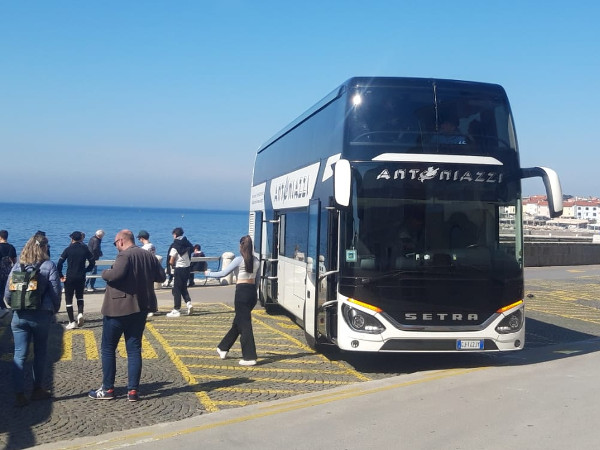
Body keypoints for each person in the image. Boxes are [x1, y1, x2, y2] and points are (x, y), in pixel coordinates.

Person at [88, 230, 165, 401]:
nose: (116, 247)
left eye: (115, 244)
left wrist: (104, 273)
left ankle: (108, 389)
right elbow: (162, 276)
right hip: (141, 308)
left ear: (121, 241)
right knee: (134, 348)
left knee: (108, 348)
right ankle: (133, 391)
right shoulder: (148, 256)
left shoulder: (124, 256)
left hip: (118, 308)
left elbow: (116, 275)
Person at [3, 234, 61, 407]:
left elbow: (7, 292)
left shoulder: (17, 266)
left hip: (19, 315)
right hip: (41, 315)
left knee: (19, 354)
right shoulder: (48, 265)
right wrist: (54, 310)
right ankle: (37, 390)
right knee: (40, 353)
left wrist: (11, 306)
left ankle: (19, 394)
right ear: (43, 248)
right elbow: (56, 292)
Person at [205, 235, 260, 366]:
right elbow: (258, 279)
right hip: (252, 292)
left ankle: (249, 357)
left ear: (241, 246)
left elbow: (223, 273)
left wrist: (208, 274)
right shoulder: (257, 260)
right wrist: (254, 293)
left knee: (245, 325)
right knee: (239, 322)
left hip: (241, 292)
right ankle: (223, 348)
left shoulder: (238, 260)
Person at [57, 231, 95, 330]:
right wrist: (86, 270)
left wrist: (61, 275)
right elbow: (92, 262)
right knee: (80, 297)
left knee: (68, 299)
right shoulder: (85, 249)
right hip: (81, 276)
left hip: (70, 276)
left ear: (72, 239)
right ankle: (80, 314)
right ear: (81, 239)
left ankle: (71, 321)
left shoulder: (68, 249)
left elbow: (59, 263)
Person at [166, 227, 194, 317]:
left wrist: (172, 266)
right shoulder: (187, 243)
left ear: (175, 235)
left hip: (179, 268)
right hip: (187, 268)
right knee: (183, 287)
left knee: (177, 289)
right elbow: (192, 250)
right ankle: (189, 303)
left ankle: (176, 309)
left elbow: (171, 260)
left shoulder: (175, 246)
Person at [137, 230, 158, 317]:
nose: (139, 240)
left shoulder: (143, 249)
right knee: (150, 290)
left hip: (145, 270)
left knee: (146, 291)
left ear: (142, 238)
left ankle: (149, 308)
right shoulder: (152, 246)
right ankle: (153, 307)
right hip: (152, 269)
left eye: (139, 238)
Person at [0, 229, 17, 311]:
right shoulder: (11, 247)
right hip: (9, 272)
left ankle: (3, 308)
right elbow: (15, 261)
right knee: (8, 291)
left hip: (0, 272)